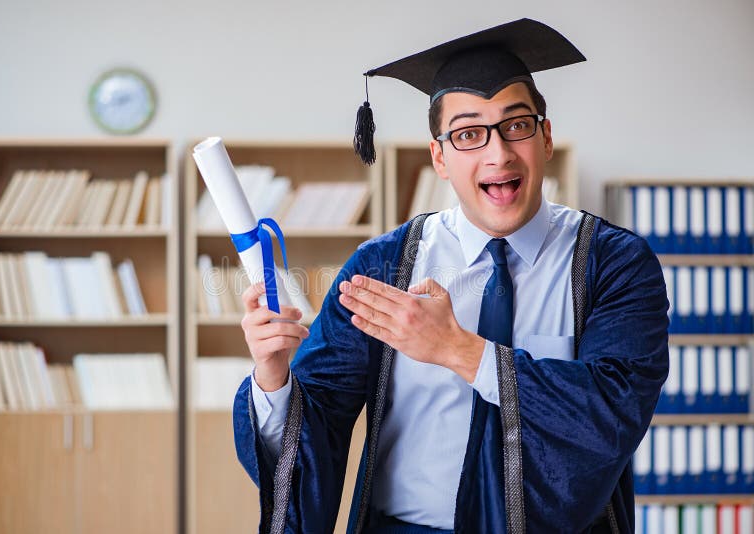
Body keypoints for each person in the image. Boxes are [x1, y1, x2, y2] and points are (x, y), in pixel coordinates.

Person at [233, 18, 669, 534]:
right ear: (439, 156)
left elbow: (610, 413)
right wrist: (274, 377)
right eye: (467, 134)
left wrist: (459, 350)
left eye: (517, 125)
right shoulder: (382, 267)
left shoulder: (612, 264)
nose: (498, 152)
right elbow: (316, 421)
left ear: (546, 137)